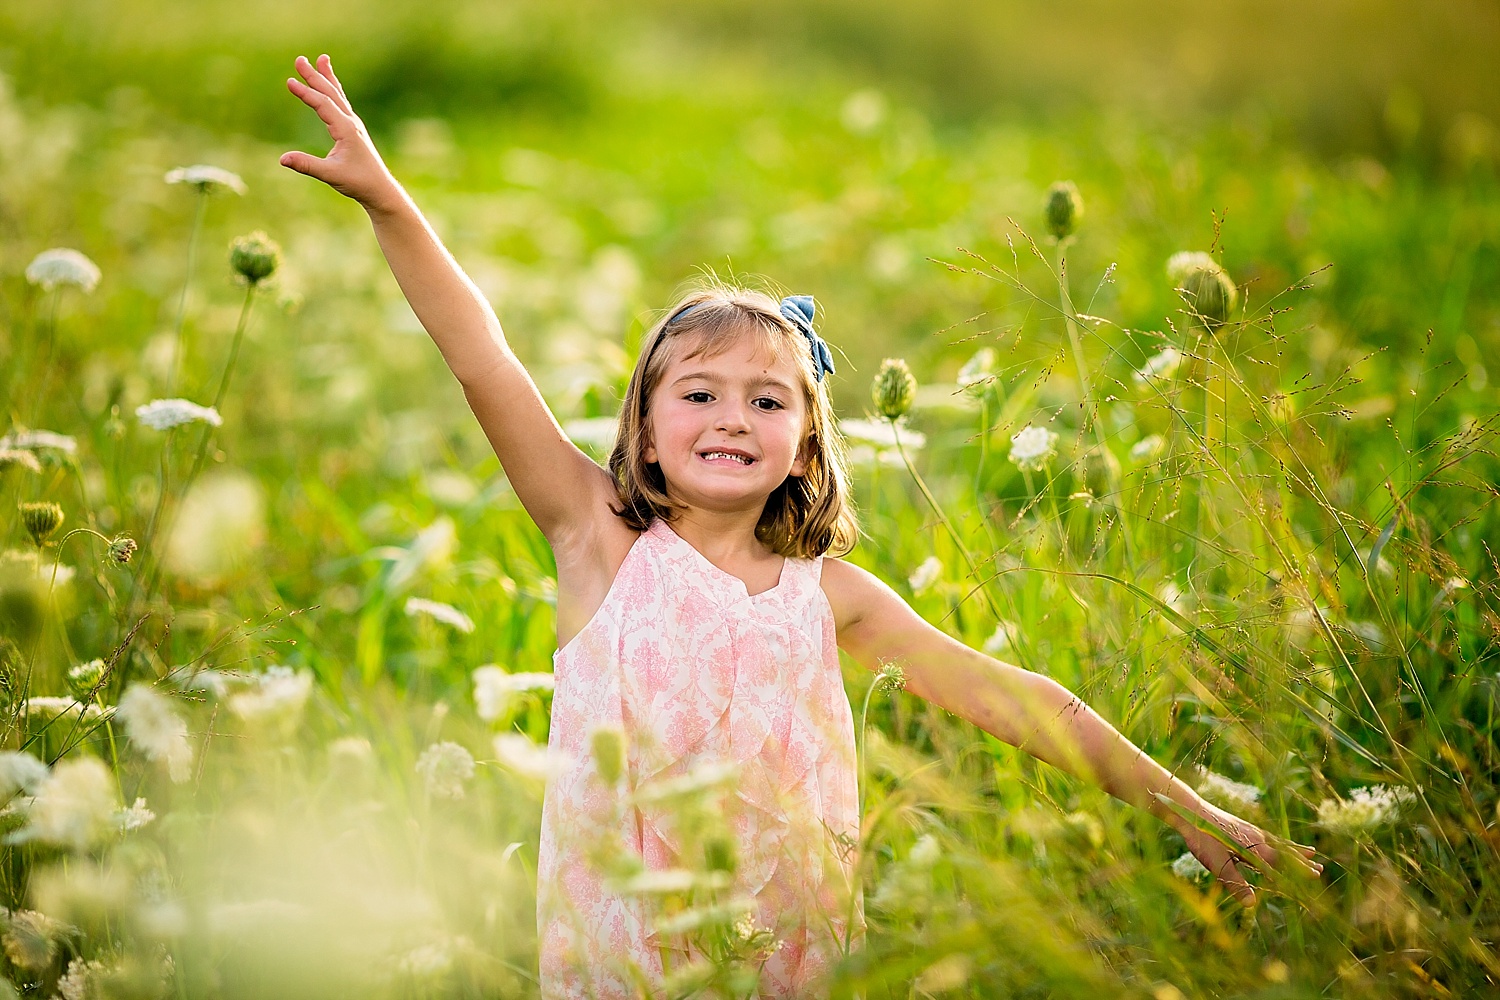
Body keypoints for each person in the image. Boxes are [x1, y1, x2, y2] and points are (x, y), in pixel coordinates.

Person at [279, 54, 1322, 998]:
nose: (733, 414)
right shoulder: (599, 539)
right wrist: (387, 198)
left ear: (807, 445)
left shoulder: (829, 598)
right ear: (641, 433)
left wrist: (1197, 810)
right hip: (623, 967)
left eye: (768, 401)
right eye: (698, 395)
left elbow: (1022, 703)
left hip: (789, 962)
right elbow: (481, 355)